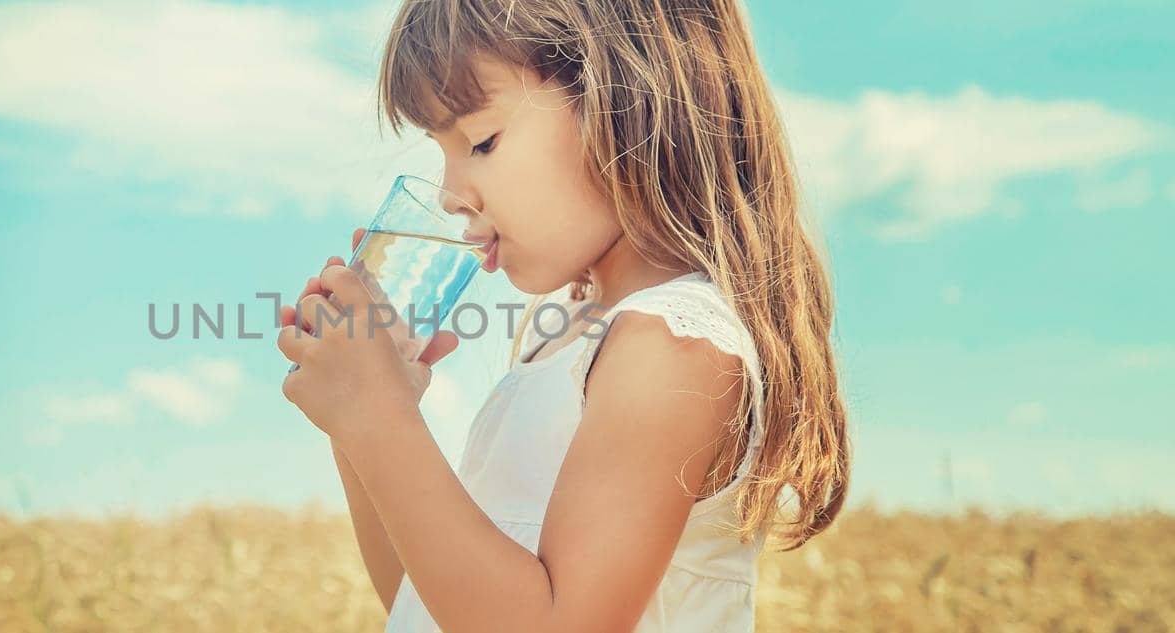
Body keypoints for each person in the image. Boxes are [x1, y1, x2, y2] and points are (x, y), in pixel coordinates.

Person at [276, 0, 849, 630]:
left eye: (481, 141)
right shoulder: (565, 334)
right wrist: (358, 422)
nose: (451, 193)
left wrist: (378, 417)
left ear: (625, 97)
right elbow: (427, 603)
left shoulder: (671, 344)